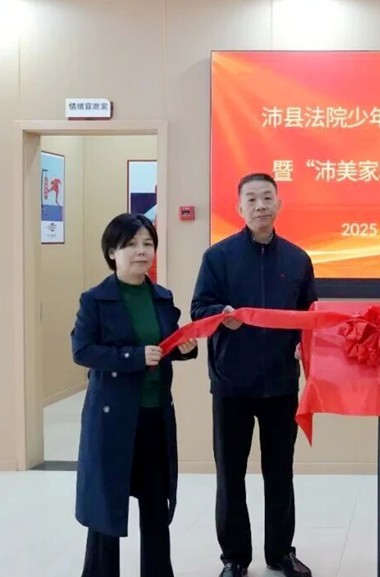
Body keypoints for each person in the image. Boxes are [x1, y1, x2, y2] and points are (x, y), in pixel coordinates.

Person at [191, 173, 317, 577]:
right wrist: (220, 315)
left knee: (280, 472)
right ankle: (234, 557)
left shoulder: (297, 259)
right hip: (232, 383)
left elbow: (310, 316)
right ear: (239, 208)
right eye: (251, 199)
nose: (260, 205)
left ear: (279, 203)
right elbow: (199, 309)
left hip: (281, 383)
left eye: (267, 197)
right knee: (230, 474)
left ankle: (280, 552)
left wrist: (303, 343)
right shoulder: (218, 257)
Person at [71, 213, 198, 577]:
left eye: (147, 244)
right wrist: (132, 357)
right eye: (130, 245)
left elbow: (166, 344)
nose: (142, 251)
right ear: (112, 252)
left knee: (156, 506)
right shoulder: (95, 299)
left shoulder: (161, 297)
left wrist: (185, 348)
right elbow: (82, 351)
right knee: (105, 508)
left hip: (154, 415)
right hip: (112, 418)